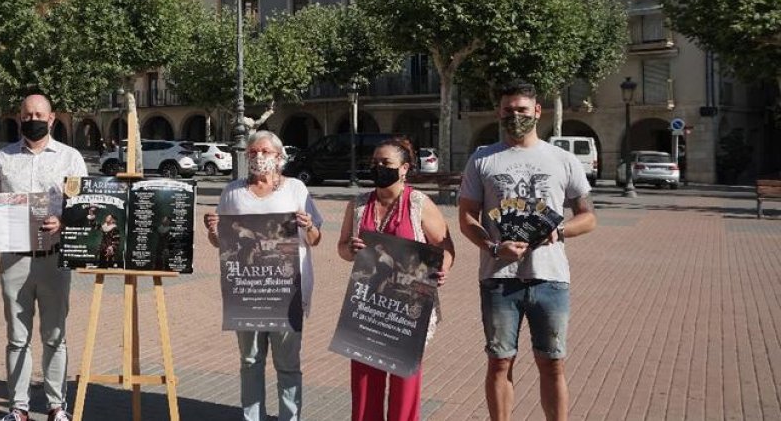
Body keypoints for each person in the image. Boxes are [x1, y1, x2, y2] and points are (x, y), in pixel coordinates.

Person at [457, 81, 597, 421]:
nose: (515, 116)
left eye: (522, 110)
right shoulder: (482, 159)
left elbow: (588, 217)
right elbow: (466, 218)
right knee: (499, 361)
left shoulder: (562, 159)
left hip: (550, 278)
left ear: (537, 111)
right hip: (499, 278)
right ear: (498, 112)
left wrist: (559, 230)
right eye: (508, 110)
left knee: (552, 363)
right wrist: (493, 246)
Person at [0, 94, 88, 421]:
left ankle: (57, 407)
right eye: (27, 115)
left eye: (39, 114)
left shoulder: (70, 158)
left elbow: (86, 205)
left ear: (52, 118)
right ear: (19, 118)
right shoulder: (2, 158)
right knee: (17, 337)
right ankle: (18, 408)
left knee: (55, 336)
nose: (33, 119)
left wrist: (65, 221)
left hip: (54, 258)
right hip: (14, 259)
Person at [203, 130, 323, 421]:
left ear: (279, 157)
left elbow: (316, 238)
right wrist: (213, 231)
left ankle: (289, 417)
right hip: (246, 291)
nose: (258, 157)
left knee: (288, 364)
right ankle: (252, 417)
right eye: (252, 152)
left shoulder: (296, 189)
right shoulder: (232, 191)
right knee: (250, 361)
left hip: (286, 291)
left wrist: (307, 227)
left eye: (265, 152)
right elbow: (222, 242)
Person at [336, 137, 454, 421]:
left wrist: (443, 268)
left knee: (404, 379)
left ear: (404, 169)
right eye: (374, 162)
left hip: (407, 304)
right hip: (367, 303)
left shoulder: (419, 203)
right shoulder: (359, 204)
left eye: (385, 163)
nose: (378, 167)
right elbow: (342, 248)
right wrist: (349, 250)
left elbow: (445, 246)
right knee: (365, 377)